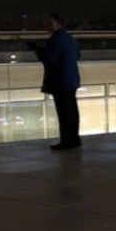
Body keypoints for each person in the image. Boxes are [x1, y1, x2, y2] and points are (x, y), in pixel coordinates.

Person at [28, 13, 81, 151]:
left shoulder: (55, 39)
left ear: (58, 23)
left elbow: (49, 59)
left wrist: (38, 50)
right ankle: (74, 139)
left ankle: (66, 141)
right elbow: (77, 55)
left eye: (49, 22)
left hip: (59, 80)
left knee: (63, 112)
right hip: (71, 79)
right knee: (72, 110)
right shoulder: (70, 38)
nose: (47, 25)